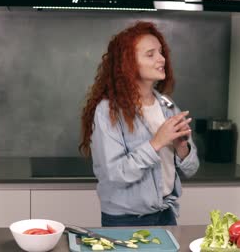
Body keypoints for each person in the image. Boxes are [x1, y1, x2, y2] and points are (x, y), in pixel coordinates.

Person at [79, 21, 200, 226]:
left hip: (166, 214)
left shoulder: (168, 105)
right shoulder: (108, 111)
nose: (162, 59)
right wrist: (156, 142)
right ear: (128, 63)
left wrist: (182, 148)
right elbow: (116, 173)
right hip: (124, 220)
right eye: (150, 54)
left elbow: (191, 168)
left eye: (161, 53)